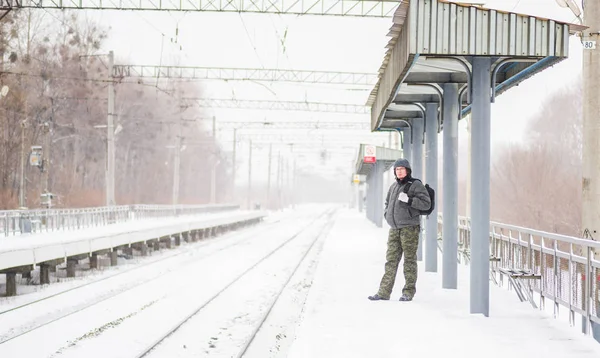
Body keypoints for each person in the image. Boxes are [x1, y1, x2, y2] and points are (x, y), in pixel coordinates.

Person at [368, 158, 431, 302]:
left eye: (402, 169)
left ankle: (408, 292)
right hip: (394, 229)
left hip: (409, 228)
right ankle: (384, 292)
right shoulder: (393, 186)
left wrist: (409, 200)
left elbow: (426, 204)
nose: (399, 171)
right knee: (390, 260)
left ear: (408, 170)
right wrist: (386, 214)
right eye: (397, 169)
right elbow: (387, 202)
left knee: (409, 260)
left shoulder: (415, 185)